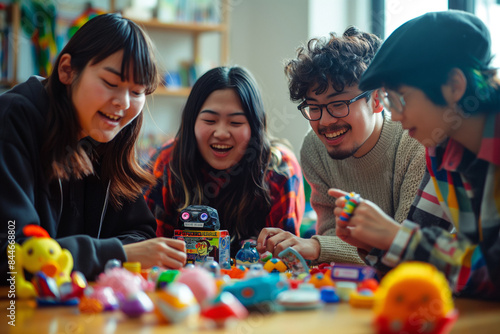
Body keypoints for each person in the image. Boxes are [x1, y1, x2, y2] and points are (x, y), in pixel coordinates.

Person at [0, 14, 187, 286]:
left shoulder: (106, 137)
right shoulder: (12, 119)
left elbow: (139, 231)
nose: (123, 103)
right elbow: (12, 254)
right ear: (67, 70)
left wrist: (109, 255)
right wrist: (116, 254)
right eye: (111, 84)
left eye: (137, 92)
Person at [331, 11, 500, 299]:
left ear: (454, 86)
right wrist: (372, 240)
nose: (394, 116)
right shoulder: (441, 151)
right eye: (387, 100)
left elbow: (493, 271)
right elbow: (431, 257)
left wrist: (395, 237)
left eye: (400, 98)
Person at [257, 27, 426, 264]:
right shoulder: (314, 149)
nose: (325, 122)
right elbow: (333, 236)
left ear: (376, 99)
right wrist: (320, 245)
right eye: (314, 107)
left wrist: (317, 247)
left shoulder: (415, 143)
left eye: (338, 104)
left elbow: (405, 250)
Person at [144, 66, 305, 258]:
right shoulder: (167, 161)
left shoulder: (279, 168)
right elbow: (151, 248)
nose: (221, 133)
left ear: (255, 128)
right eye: (210, 120)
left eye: (235, 123)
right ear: (191, 122)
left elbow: (284, 256)